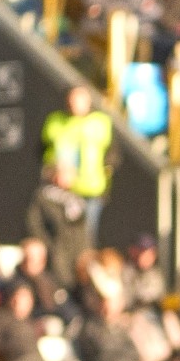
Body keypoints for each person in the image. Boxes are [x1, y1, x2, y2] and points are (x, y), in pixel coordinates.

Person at [42, 85, 117, 244]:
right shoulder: (56, 122)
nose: (75, 103)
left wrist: (105, 176)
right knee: (63, 236)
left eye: (80, 99)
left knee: (87, 236)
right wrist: (54, 171)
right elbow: (46, 153)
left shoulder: (100, 123)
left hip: (91, 190)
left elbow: (112, 155)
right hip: (63, 191)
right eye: (73, 99)